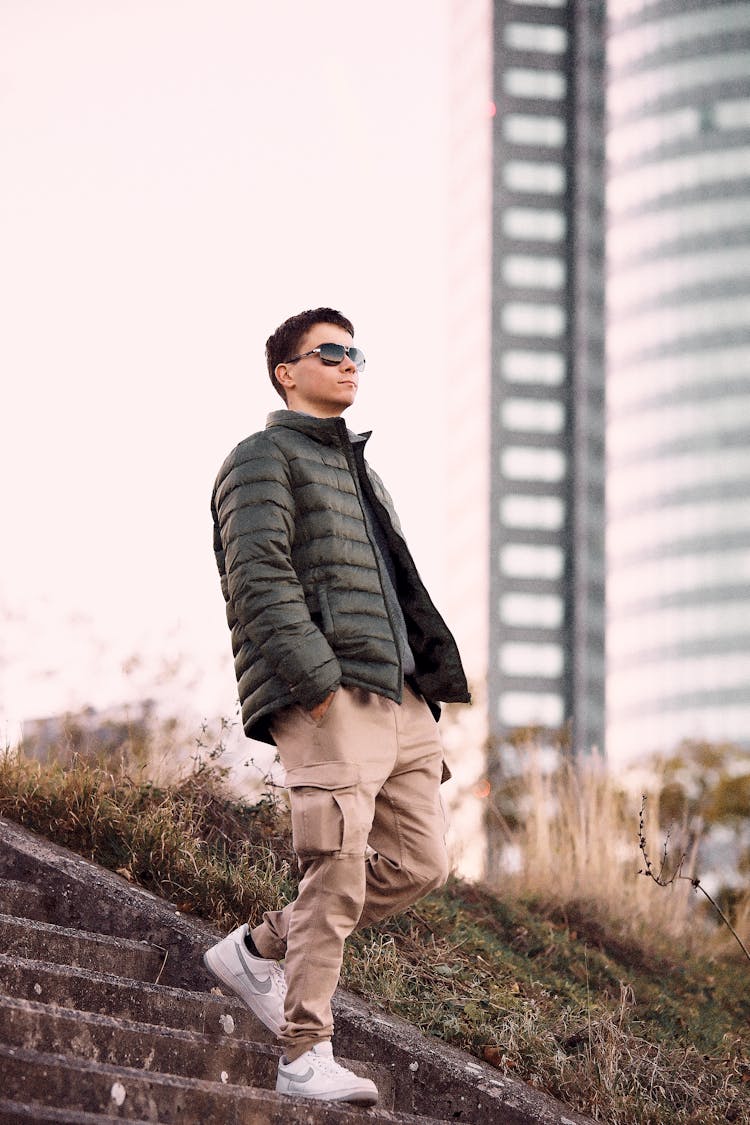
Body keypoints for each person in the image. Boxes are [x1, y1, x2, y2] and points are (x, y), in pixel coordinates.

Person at [203, 307, 470, 1106]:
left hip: (399, 697)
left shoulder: (364, 473)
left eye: (356, 351)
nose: (350, 363)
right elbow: (257, 577)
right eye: (331, 352)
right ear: (288, 371)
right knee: (339, 860)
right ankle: (302, 1052)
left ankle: (260, 947)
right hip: (329, 693)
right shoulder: (258, 459)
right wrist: (314, 680)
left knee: (421, 862)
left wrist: (422, 680)